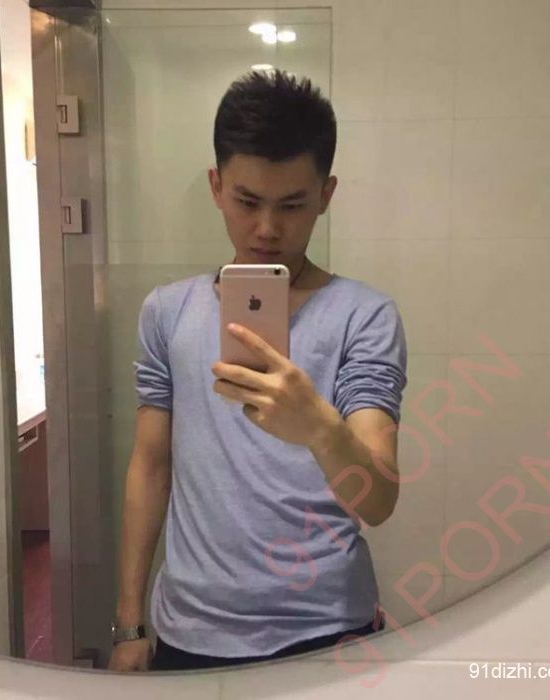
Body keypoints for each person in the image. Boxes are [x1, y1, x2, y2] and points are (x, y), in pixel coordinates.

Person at [108, 69, 407, 673]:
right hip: (190, 626)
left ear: (325, 195)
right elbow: (150, 465)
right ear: (217, 187)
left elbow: (376, 502)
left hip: (326, 626)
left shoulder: (365, 316)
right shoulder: (167, 311)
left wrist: (319, 426)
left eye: (292, 205)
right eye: (248, 202)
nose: (268, 228)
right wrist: (130, 623)